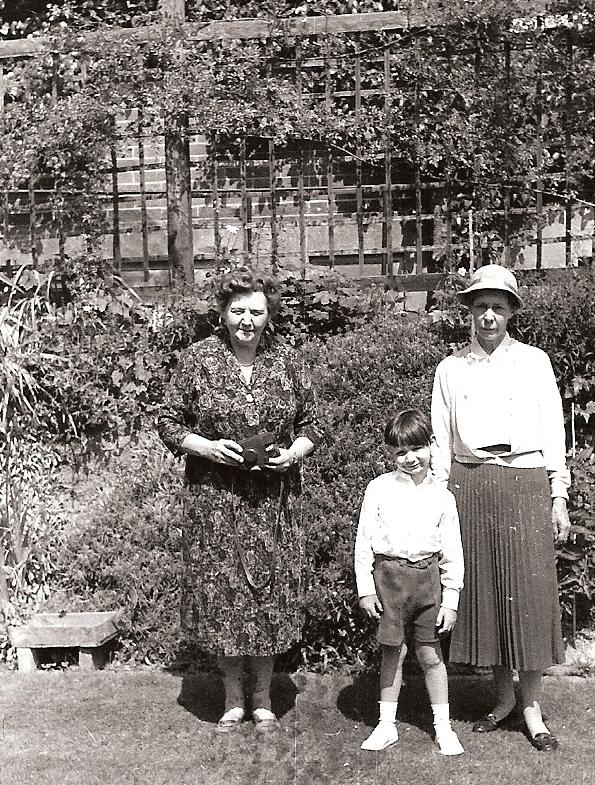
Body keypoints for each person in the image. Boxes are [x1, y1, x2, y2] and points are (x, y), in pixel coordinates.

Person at [157, 266, 322, 733]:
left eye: (256, 311)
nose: (246, 319)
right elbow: (167, 420)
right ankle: (232, 698)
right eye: (238, 310)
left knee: (268, 593)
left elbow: (314, 424)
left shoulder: (287, 361)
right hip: (215, 499)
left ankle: (264, 696)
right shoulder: (196, 361)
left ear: (269, 315)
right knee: (223, 596)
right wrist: (206, 447)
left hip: (273, 502)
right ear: (223, 313)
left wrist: (293, 453)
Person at [431, 263, 571, 752]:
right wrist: (438, 502)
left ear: (512, 311)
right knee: (485, 596)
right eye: (480, 306)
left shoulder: (535, 362)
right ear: (468, 312)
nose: (488, 315)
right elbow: (440, 441)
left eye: (497, 306)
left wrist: (558, 494)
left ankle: (532, 709)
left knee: (529, 597)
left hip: (524, 482)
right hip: (469, 486)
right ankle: (503, 699)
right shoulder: (449, 368)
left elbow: (554, 430)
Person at [354, 409, 465, 755]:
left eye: (416, 448)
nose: (409, 458)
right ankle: (386, 726)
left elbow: (452, 552)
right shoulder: (379, 489)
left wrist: (451, 600)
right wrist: (366, 588)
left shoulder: (442, 497)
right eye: (400, 452)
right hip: (388, 580)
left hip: (427, 581)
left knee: (430, 655)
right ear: (391, 454)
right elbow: (363, 541)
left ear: (431, 446)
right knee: (393, 653)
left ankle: (443, 728)